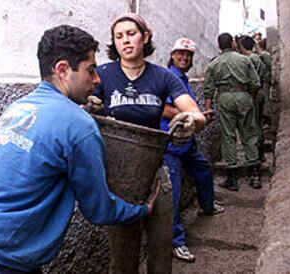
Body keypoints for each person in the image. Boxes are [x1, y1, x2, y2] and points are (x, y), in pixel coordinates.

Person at [0, 25, 159, 273]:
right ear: (62, 70)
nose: (97, 79)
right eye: (90, 70)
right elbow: (99, 210)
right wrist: (140, 210)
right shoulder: (80, 126)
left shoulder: (19, 106)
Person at [92, 13, 207, 274]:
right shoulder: (103, 75)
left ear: (145, 37)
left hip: (156, 171)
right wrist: (89, 105)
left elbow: (195, 113)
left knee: (161, 245)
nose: (125, 41)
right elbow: (78, 105)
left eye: (131, 34)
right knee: (123, 252)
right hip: (117, 175)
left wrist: (190, 121)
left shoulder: (163, 77)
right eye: (118, 37)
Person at [159, 37, 225, 263]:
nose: (184, 58)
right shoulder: (166, 77)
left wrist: (197, 116)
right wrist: (187, 115)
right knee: (174, 195)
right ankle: (176, 243)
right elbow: (162, 108)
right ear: (172, 55)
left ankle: (207, 206)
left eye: (188, 55)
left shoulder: (182, 78)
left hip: (187, 144)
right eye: (181, 54)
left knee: (204, 169)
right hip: (170, 147)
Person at [203, 32, 261, 191]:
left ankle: (232, 178)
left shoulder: (214, 64)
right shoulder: (245, 60)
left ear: (219, 46)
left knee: (228, 136)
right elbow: (255, 83)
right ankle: (255, 174)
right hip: (244, 96)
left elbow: (208, 90)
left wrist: (208, 109)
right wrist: (251, 98)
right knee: (248, 133)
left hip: (224, 97)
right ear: (234, 44)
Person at [239, 35, 269, 164]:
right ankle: (260, 153)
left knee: (252, 125)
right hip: (260, 92)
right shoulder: (258, 58)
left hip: (253, 93)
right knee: (258, 123)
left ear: (241, 46)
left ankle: (255, 154)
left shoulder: (248, 60)